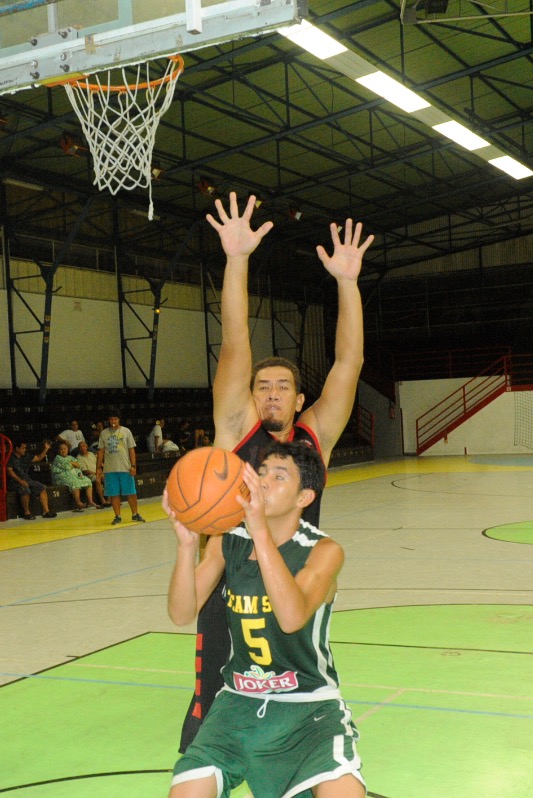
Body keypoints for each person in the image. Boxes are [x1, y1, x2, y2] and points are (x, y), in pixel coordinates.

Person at [180, 192, 372, 753]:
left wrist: (347, 282)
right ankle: (202, 766)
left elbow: (349, 362)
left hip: (292, 574)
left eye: (281, 385)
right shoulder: (237, 425)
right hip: (229, 572)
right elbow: (235, 341)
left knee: (302, 691)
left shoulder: (316, 435)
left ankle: (303, 765)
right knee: (212, 692)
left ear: (299, 397)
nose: (270, 392)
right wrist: (236, 259)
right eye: (262, 385)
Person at [166, 442, 365, 798]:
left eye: (279, 476)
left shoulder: (322, 551)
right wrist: (186, 545)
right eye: (260, 474)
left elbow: (291, 618)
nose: (264, 482)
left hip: (309, 707)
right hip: (236, 703)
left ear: (304, 496)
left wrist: (259, 531)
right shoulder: (228, 542)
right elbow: (181, 613)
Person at [97, 412, 144, 525]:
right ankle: (117, 516)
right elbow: (101, 451)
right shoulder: (103, 433)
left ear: (119, 420)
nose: (113, 421)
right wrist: (98, 468)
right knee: (113, 494)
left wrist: (133, 466)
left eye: (115, 419)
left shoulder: (126, 431)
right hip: (110, 469)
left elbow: (131, 450)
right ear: (109, 420)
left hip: (125, 467)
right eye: (111, 419)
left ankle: (135, 513)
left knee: (131, 492)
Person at [7, 441, 58, 520]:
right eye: (23, 448)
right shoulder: (10, 458)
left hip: (27, 480)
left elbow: (38, 458)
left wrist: (46, 449)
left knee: (42, 488)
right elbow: (10, 471)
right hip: (14, 481)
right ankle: (27, 513)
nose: (25, 450)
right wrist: (20, 481)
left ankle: (46, 511)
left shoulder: (26, 456)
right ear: (17, 448)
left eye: (25, 448)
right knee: (25, 489)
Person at [50, 440, 100, 510]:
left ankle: (90, 501)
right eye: (61, 449)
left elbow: (78, 464)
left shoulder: (70, 457)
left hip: (73, 475)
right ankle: (78, 502)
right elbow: (66, 467)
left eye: (65, 449)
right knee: (74, 482)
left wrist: (71, 463)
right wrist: (73, 464)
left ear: (67, 450)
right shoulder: (58, 458)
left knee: (88, 481)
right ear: (59, 451)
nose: (63, 451)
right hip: (61, 477)